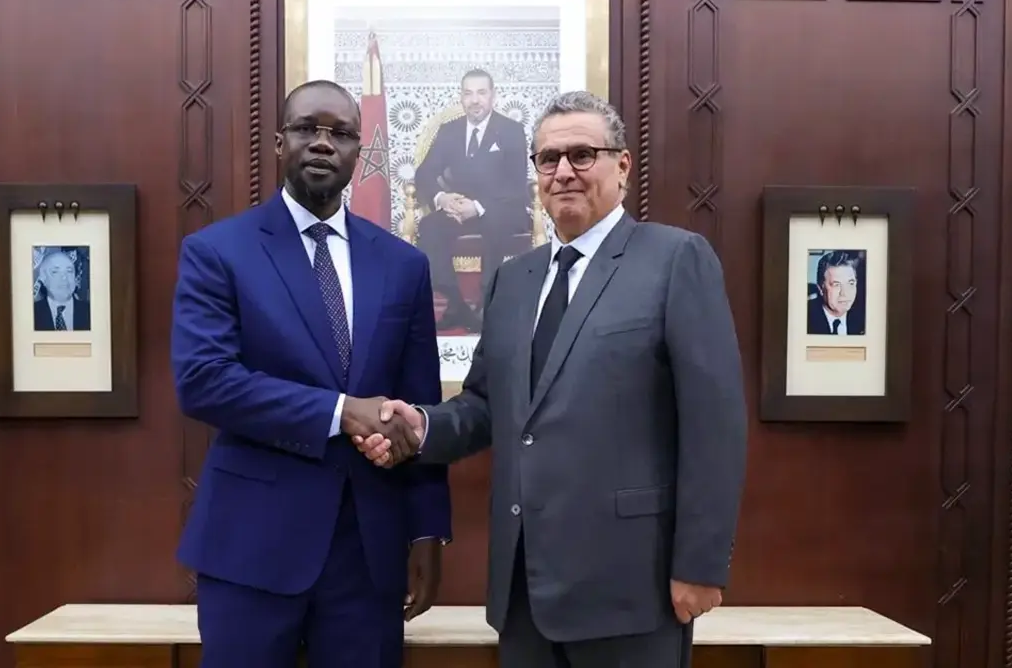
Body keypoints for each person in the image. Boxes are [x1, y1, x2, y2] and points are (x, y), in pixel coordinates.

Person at [355, 90, 747, 667]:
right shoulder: (514, 278)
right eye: (547, 159)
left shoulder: (674, 260)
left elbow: (715, 426)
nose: (563, 172)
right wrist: (424, 425)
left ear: (622, 165)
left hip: (632, 589)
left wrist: (701, 565)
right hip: (524, 592)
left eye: (583, 155)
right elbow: (488, 404)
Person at [171, 79, 452, 668]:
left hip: (369, 552)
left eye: (341, 134)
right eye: (307, 129)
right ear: (279, 143)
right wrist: (338, 410)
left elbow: (420, 405)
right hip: (251, 546)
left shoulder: (403, 265)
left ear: (359, 150)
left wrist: (428, 529)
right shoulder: (219, 251)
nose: (323, 144)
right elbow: (204, 380)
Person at [413, 68, 532, 330]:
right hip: (458, 210)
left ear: (493, 96)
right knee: (429, 227)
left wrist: (477, 207)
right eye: (468, 93)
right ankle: (456, 305)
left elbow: (515, 184)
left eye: (481, 93)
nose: (474, 100)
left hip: (501, 210)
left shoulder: (511, 131)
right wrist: (442, 198)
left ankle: (487, 305)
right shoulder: (449, 131)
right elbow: (424, 174)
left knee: (494, 222)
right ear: (461, 98)